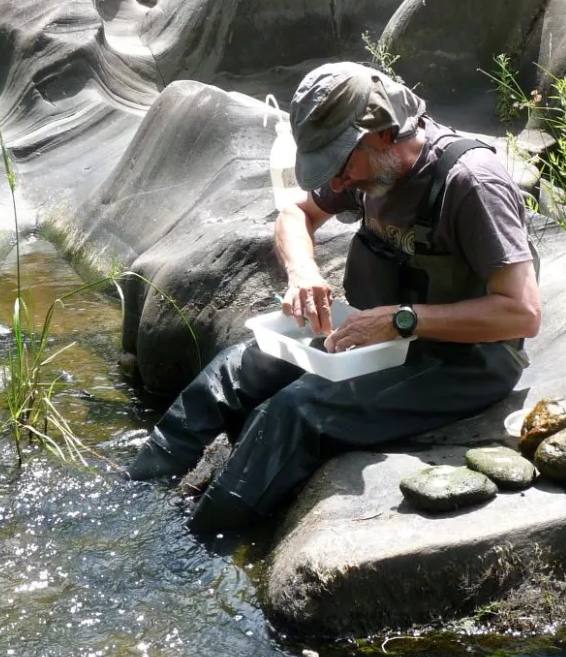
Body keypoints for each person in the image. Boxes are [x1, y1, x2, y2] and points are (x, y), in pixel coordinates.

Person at [128, 61, 541, 532]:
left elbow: (523, 313)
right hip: (380, 342)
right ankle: (134, 498)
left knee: (294, 413)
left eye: (340, 166)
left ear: (383, 133)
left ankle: (200, 545)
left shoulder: (471, 183)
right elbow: (295, 215)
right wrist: (302, 271)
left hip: (466, 362)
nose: (338, 184)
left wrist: (402, 320)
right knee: (232, 372)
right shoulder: (368, 165)